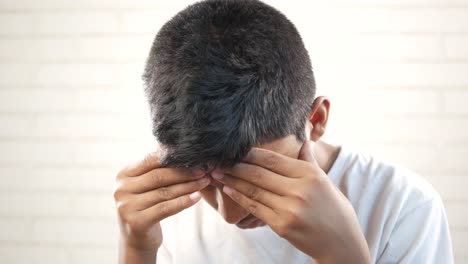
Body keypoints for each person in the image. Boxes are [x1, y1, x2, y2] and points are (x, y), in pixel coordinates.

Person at [113, 0, 454, 263]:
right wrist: (136, 249)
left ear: (316, 120)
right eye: (208, 182)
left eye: (254, 173)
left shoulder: (401, 206)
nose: (229, 214)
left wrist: (343, 256)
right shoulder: (170, 206)